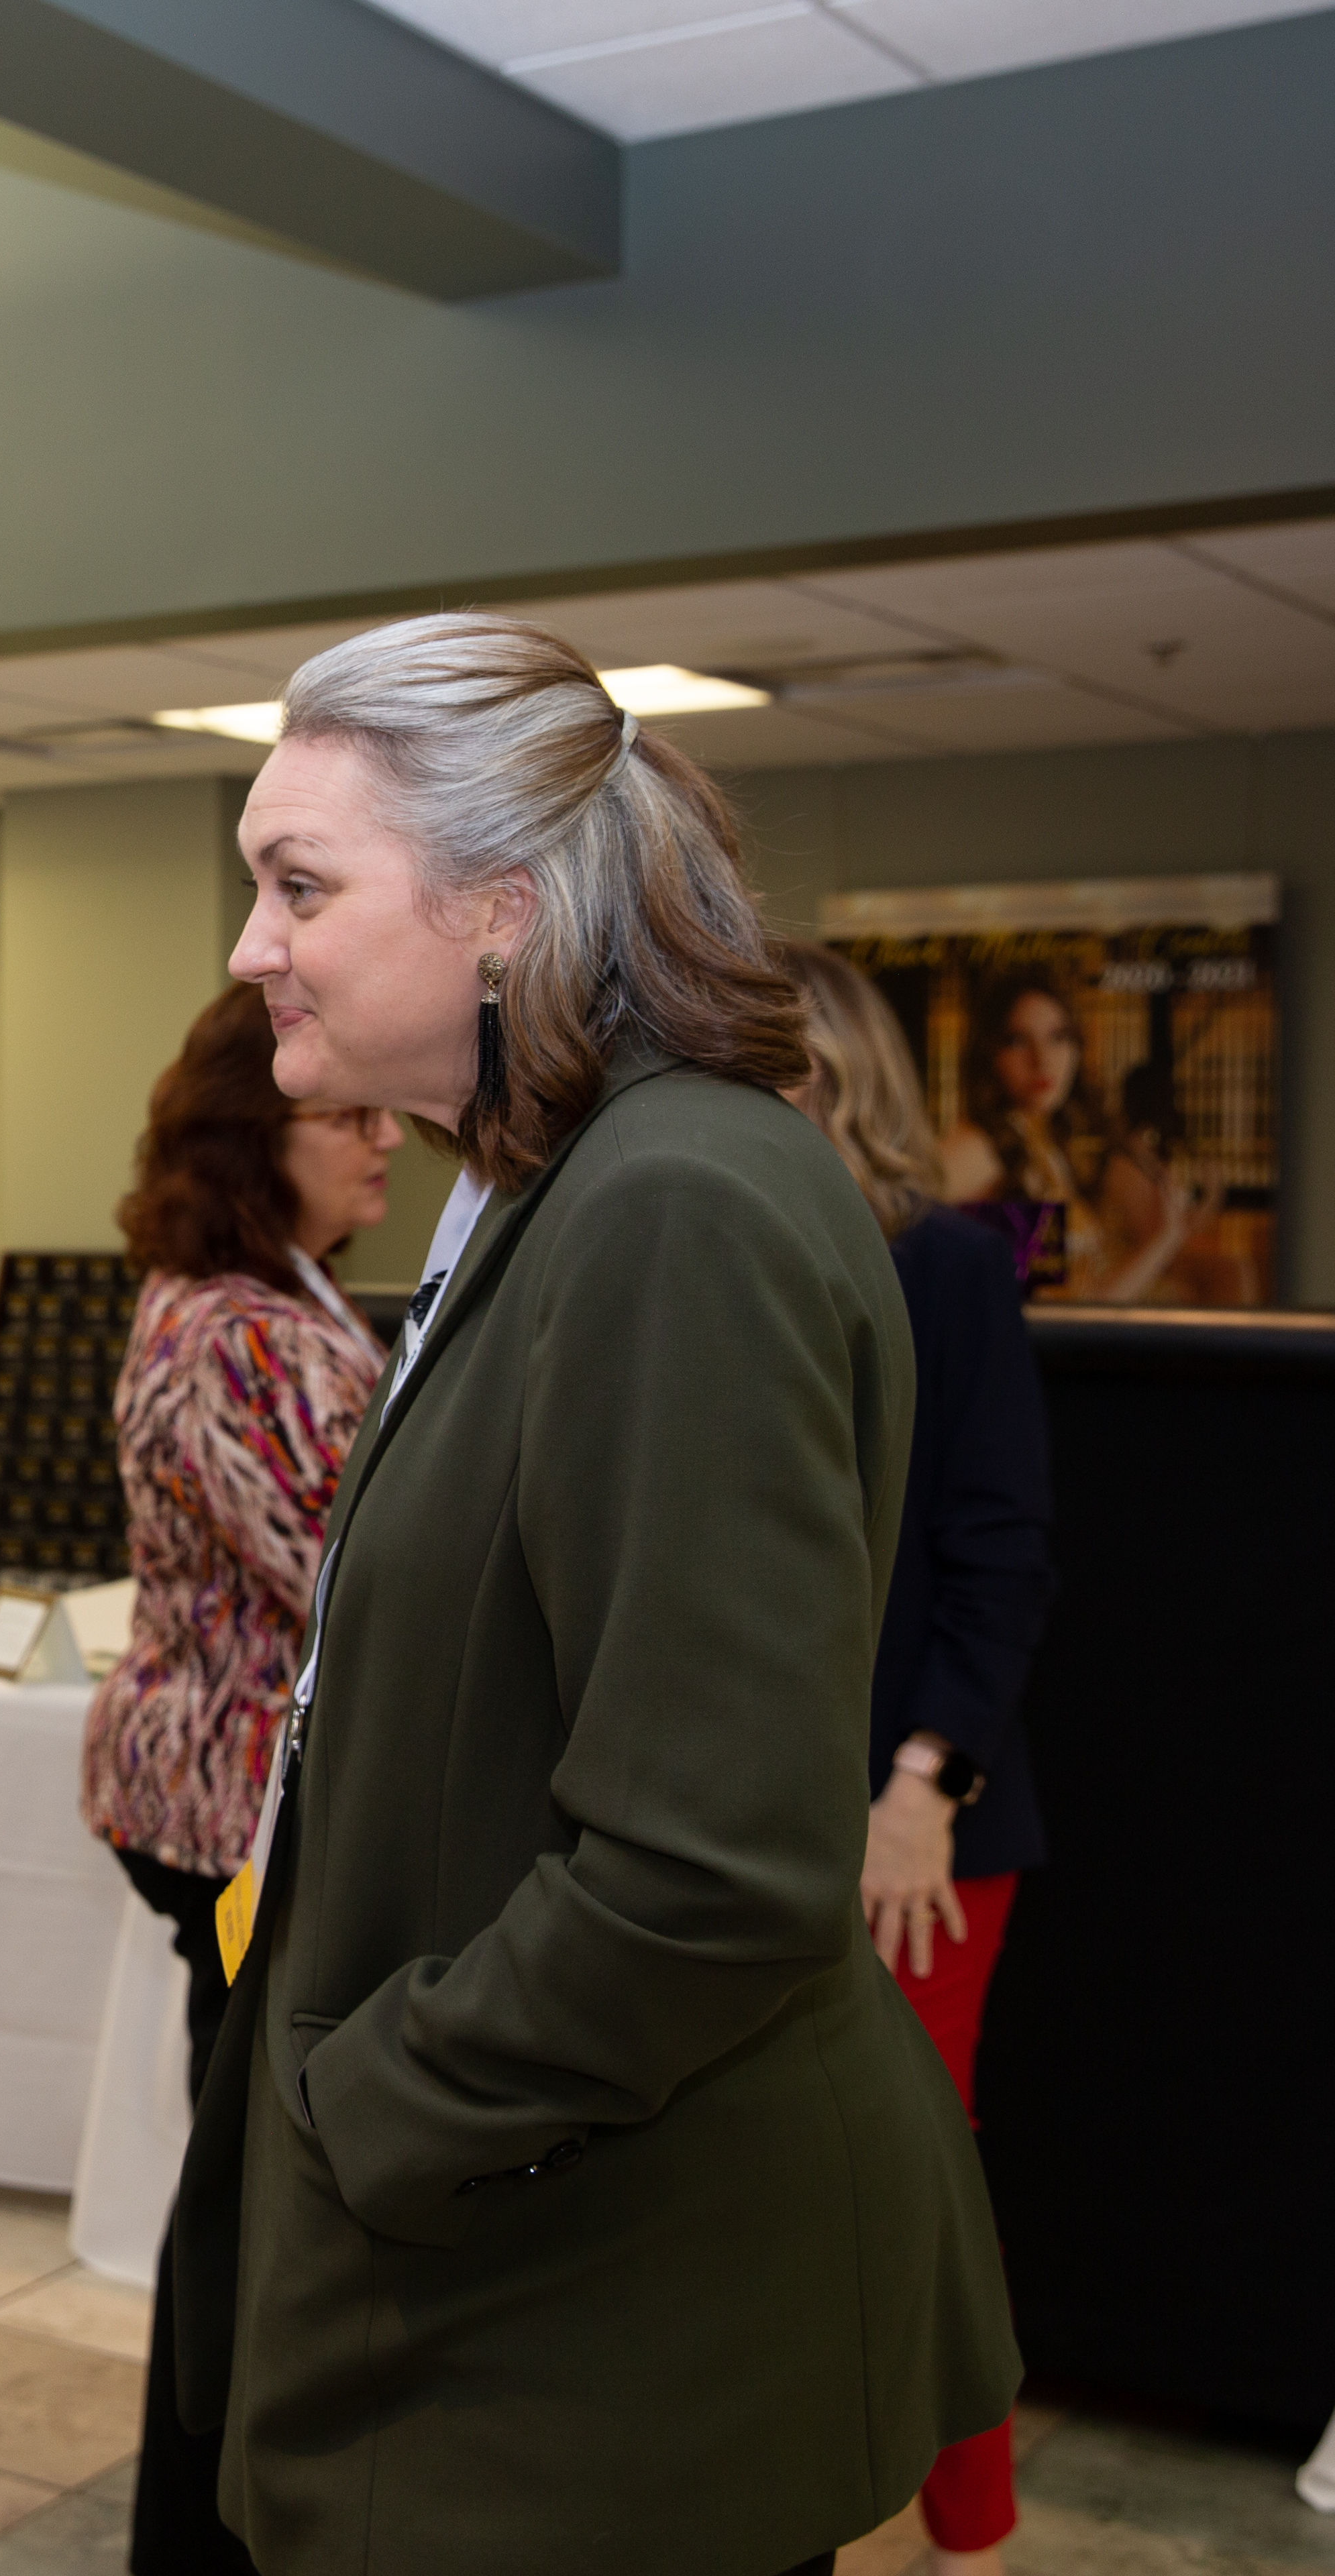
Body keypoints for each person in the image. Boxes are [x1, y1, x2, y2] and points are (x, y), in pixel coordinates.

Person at [168, 613, 1016, 2576]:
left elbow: (707, 1868)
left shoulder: (671, 1203)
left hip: (595, 2324)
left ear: (504, 910)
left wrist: (365, 2100)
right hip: (544, 2277)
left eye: (300, 885)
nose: (249, 945)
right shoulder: (549, 1184)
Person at [85, 979, 390, 2575]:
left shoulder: (270, 1302)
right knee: (241, 2227)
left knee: (246, 2207)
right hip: (234, 1831)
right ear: (249, 1137)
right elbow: (362, 1577)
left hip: (240, 1815)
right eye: (345, 1117)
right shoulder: (241, 1332)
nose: (383, 1141)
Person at [780, 938, 1056, 2576]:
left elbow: (998, 1547)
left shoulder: (943, 1265)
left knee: (914, 2188)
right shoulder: (730, 1257)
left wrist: (917, 1786)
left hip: (914, 1823)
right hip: (765, 1816)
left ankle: (971, 2538)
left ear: (832, 1078)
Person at [936, 968, 1203, 1299]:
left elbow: (1053, 1300)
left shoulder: (1041, 1144)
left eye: (1058, 1037)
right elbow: (1070, 1316)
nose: (1043, 1059)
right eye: (1018, 1041)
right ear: (991, 1055)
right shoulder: (982, 1145)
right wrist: (1161, 1243)